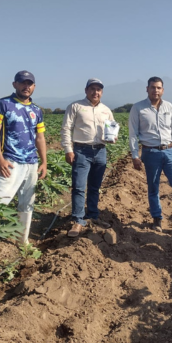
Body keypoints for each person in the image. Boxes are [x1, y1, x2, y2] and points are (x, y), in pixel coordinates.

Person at [0, 70, 47, 260]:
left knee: (27, 202)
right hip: (10, 162)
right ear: (15, 84)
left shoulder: (37, 110)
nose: (26, 86)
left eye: (30, 83)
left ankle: (23, 240)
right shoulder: (3, 104)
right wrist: (0, 159)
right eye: (22, 83)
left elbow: (40, 137)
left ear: (34, 87)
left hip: (31, 163)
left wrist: (44, 161)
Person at [128, 76, 172, 232]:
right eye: (153, 87)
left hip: (169, 151)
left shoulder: (168, 107)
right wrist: (135, 155)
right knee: (153, 188)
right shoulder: (138, 108)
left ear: (163, 90)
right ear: (147, 89)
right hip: (150, 151)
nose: (156, 90)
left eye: (158, 88)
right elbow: (133, 134)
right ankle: (157, 219)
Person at [61, 78, 116, 238]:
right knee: (78, 187)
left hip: (100, 151)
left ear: (102, 92)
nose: (95, 92)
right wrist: (68, 149)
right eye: (92, 89)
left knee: (94, 187)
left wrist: (113, 137)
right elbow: (66, 128)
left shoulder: (106, 110)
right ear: (86, 90)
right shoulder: (76, 106)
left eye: (98, 89)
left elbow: (112, 129)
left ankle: (92, 215)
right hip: (81, 151)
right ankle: (78, 220)